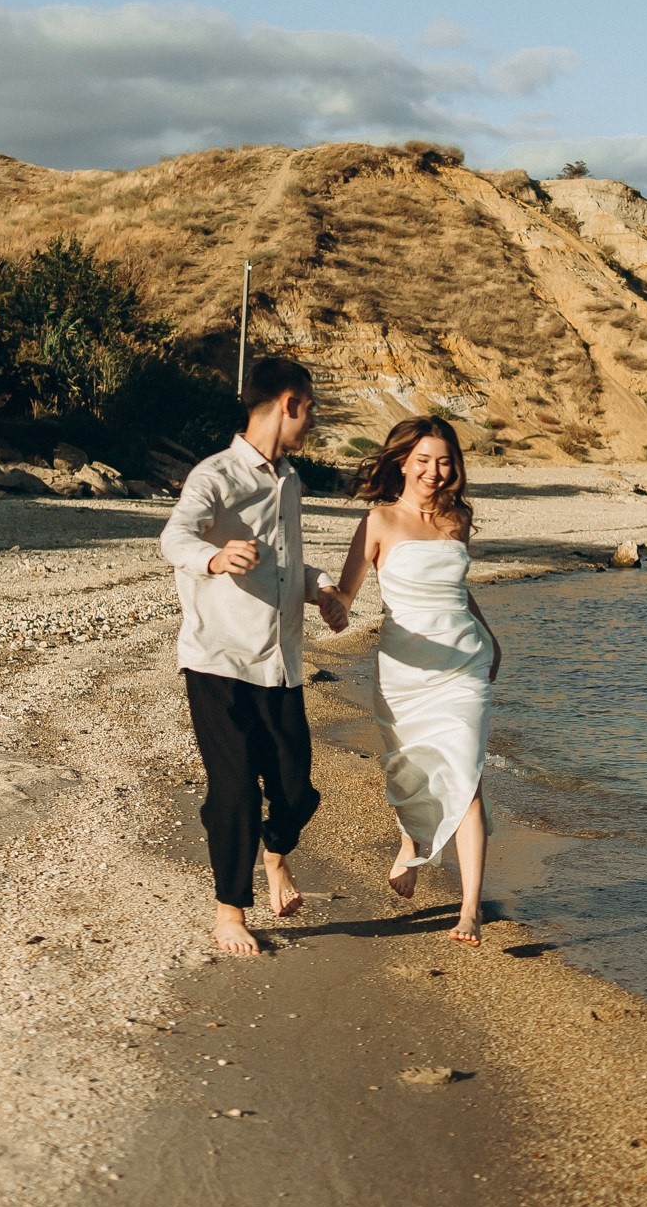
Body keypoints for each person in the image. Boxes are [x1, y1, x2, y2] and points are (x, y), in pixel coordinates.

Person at [158, 357, 351, 957]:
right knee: (235, 787)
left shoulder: (289, 480)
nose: (311, 418)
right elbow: (174, 538)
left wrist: (320, 588)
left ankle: (275, 854)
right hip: (217, 661)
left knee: (298, 793)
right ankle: (229, 912)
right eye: (311, 407)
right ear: (289, 402)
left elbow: (286, 563)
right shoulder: (215, 475)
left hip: (281, 665)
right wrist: (214, 559)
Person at [328, 417, 501, 946]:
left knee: (467, 777)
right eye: (423, 460)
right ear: (402, 462)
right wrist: (322, 601)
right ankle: (413, 842)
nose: (434, 471)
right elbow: (346, 594)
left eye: (444, 460)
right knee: (412, 768)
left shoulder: (457, 518)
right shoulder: (379, 521)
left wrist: (492, 639)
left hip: (464, 664)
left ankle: (469, 909)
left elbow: (456, 592)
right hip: (406, 669)